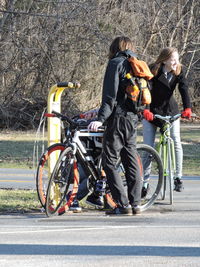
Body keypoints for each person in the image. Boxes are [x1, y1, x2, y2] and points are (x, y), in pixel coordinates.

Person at [88, 36, 142, 216]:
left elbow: (109, 98)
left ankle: (122, 204)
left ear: (114, 48)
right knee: (130, 160)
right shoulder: (136, 64)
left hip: (117, 118)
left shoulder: (115, 63)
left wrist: (100, 119)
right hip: (133, 118)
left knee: (109, 160)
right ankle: (136, 204)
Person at [142, 47, 192, 193]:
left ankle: (178, 177)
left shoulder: (179, 70)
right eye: (173, 59)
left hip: (171, 112)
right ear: (164, 60)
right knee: (148, 147)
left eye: (177, 59)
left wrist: (187, 108)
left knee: (176, 141)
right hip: (151, 112)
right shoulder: (153, 70)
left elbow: (184, 89)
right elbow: (146, 90)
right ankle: (144, 183)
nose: (176, 62)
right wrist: (146, 109)